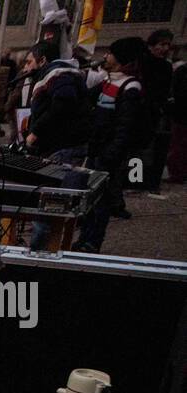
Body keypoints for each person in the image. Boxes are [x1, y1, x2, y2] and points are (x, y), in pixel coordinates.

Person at [77, 37, 152, 251]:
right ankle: (83, 238)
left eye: (110, 53)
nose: (106, 56)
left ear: (120, 58)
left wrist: (111, 154)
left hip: (109, 154)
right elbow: (87, 99)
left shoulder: (130, 87)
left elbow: (124, 127)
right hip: (97, 149)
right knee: (89, 199)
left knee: (101, 202)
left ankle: (92, 242)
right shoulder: (108, 81)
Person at [22, 41, 92, 164]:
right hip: (56, 147)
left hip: (63, 148)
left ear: (42, 60)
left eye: (28, 62)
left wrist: (35, 132)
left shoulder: (60, 75)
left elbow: (63, 104)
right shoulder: (54, 75)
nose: (25, 69)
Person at [137, 29, 174, 195]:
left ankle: (142, 180)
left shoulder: (166, 66)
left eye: (167, 45)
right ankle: (134, 179)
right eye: (161, 44)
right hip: (141, 109)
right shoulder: (143, 62)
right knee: (136, 148)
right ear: (152, 45)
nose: (165, 48)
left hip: (153, 111)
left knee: (147, 147)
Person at [168, 57, 187, 184]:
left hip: (180, 115)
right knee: (179, 146)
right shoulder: (182, 71)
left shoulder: (181, 70)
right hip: (181, 115)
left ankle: (178, 174)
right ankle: (178, 174)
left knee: (179, 145)